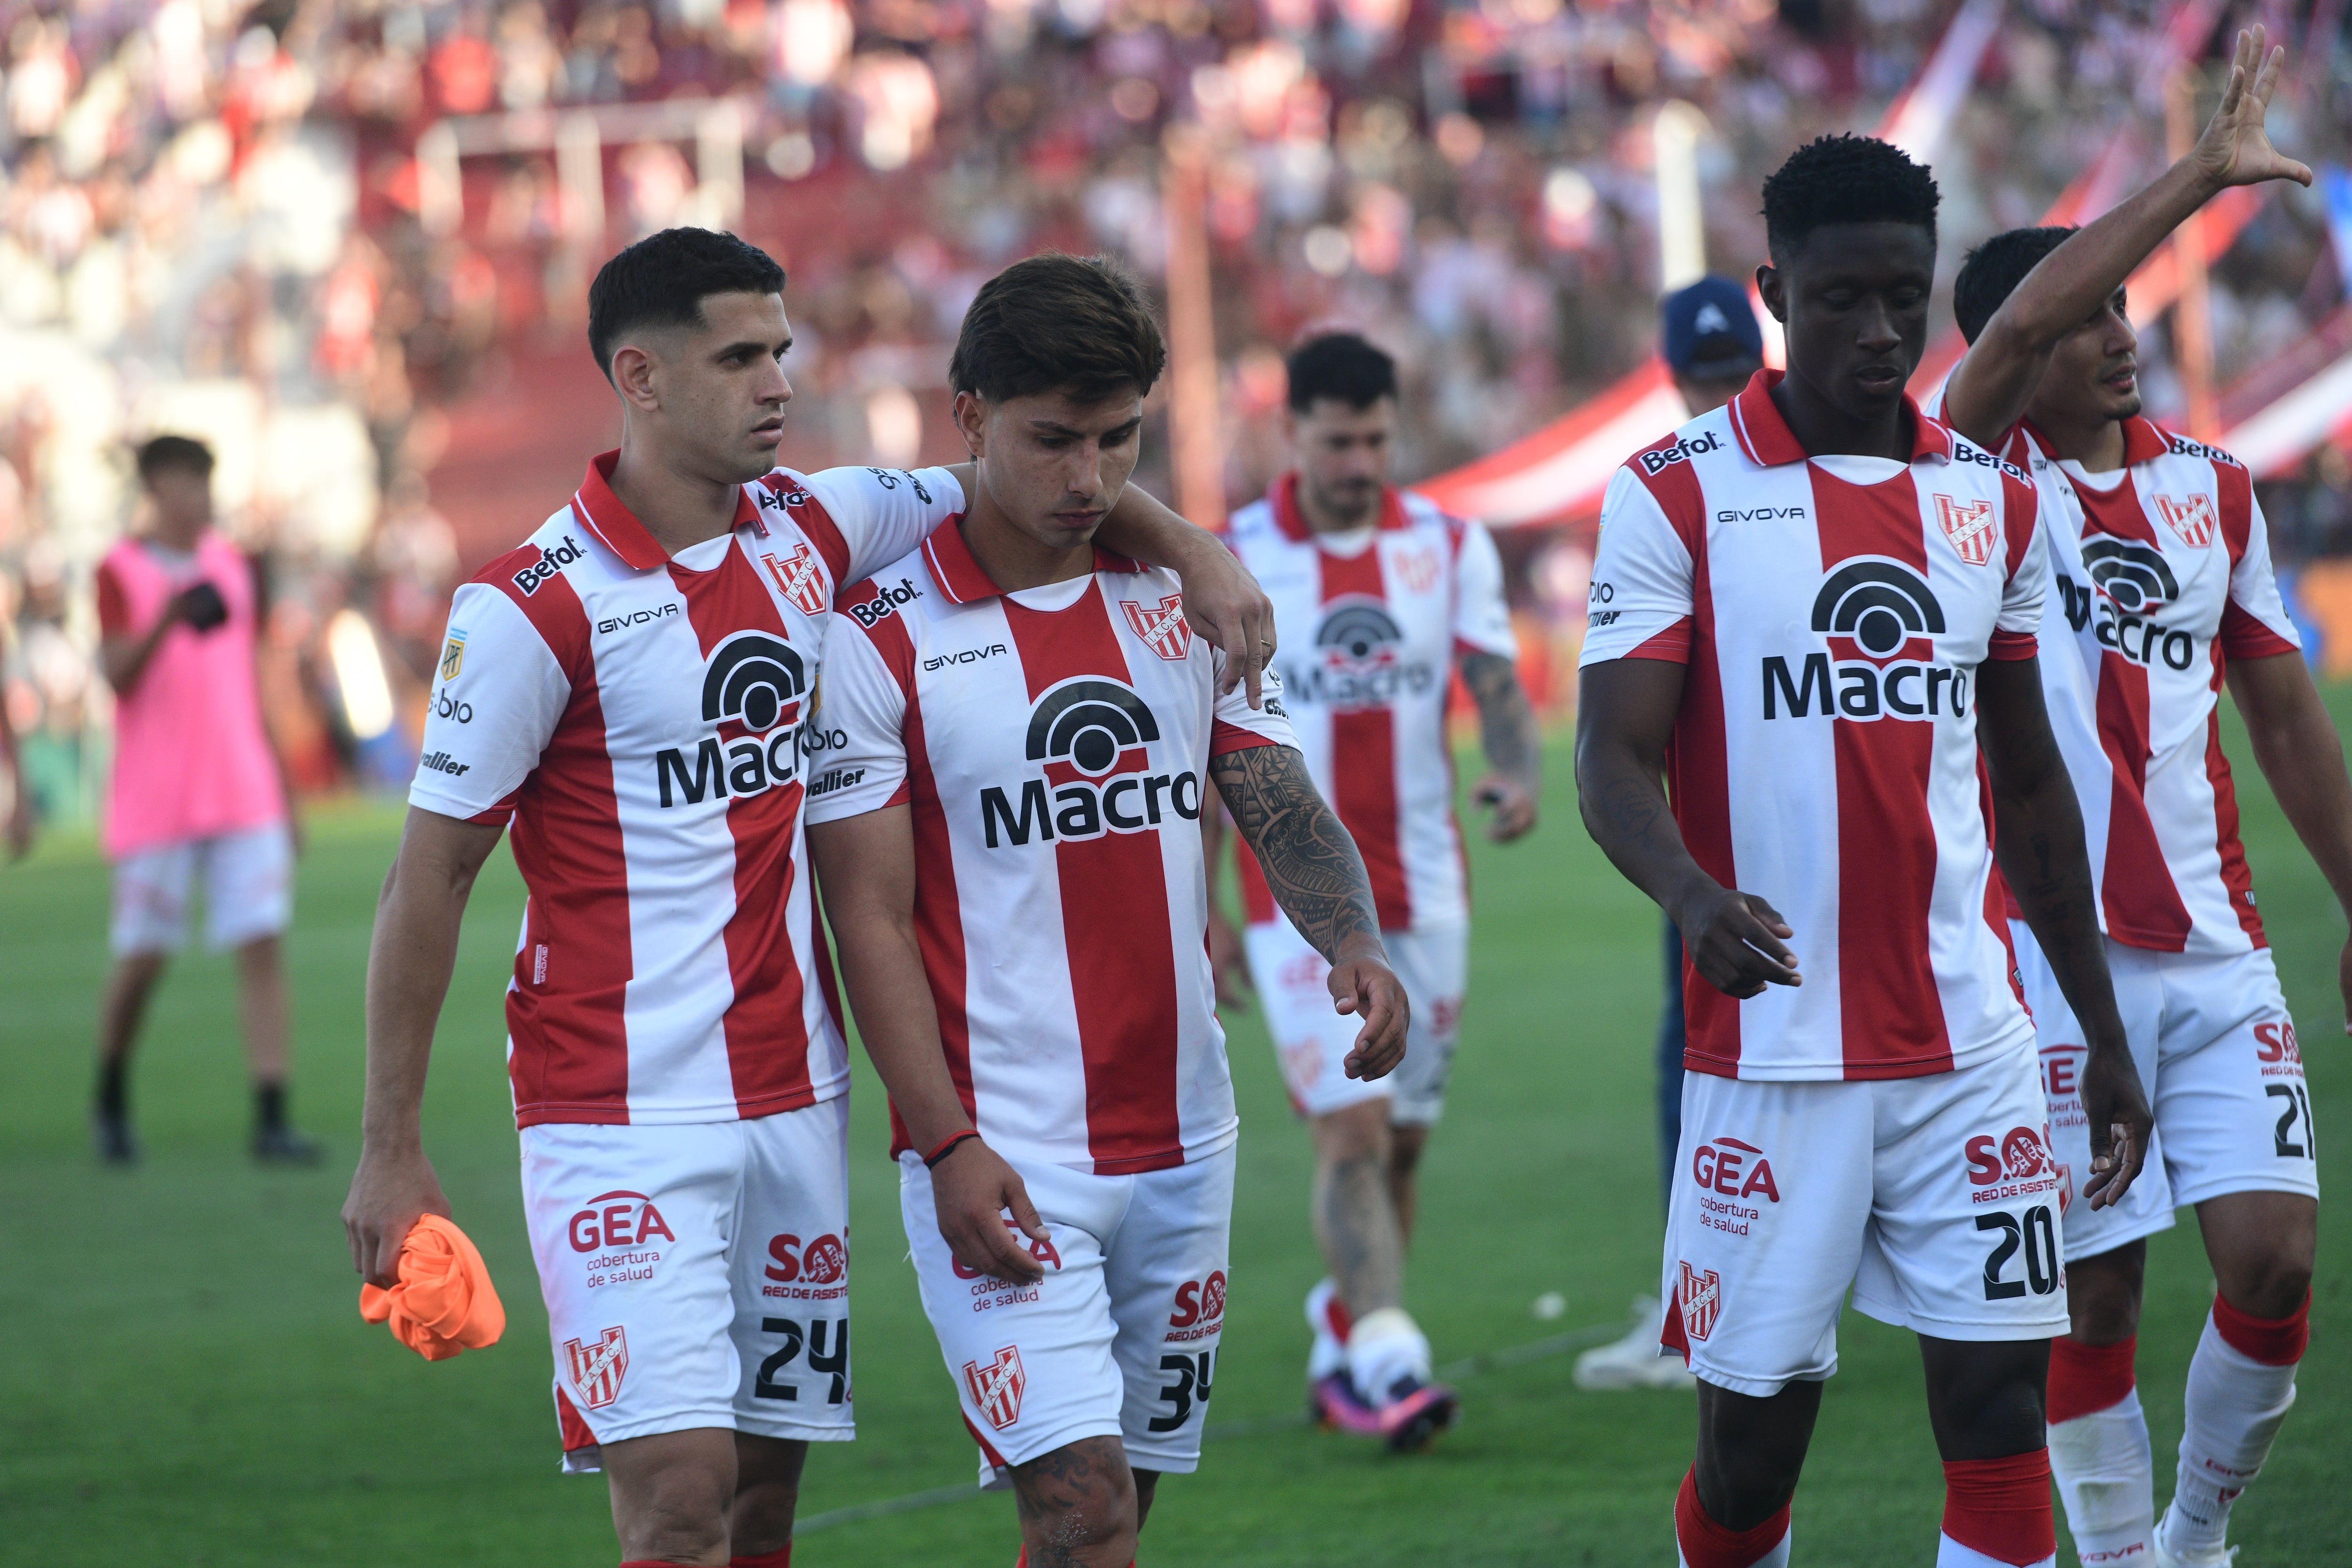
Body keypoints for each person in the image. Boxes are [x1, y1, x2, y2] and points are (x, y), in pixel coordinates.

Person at [339, 229, 1277, 1568]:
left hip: (794, 1096)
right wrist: (390, 1142)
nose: (778, 379)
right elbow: (428, 871)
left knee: (763, 1507)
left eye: (780, 348)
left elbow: (1022, 471)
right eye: (739, 356)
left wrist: (1193, 546)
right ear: (641, 378)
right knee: (678, 1496)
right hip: (614, 1109)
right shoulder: (531, 608)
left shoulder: (813, 527)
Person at [1574, 133, 2154, 1568]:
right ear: (1776, 292)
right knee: (1751, 1453)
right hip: (1772, 1064)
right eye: (1841, 298)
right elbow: (1607, 757)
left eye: (1904, 295)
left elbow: (2029, 786)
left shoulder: (1991, 498)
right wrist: (1691, 891)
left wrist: (2096, 1024)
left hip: (1972, 1046)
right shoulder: (1675, 493)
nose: (1880, 330)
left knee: (2000, 1413)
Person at [807, 255, 1409, 1568]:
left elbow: (1266, 780)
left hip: (1187, 1137)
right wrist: (944, 1139)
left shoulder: (1184, 596)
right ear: (966, 416)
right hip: (1006, 1145)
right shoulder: (876, 636)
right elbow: (865, 912)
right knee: (1087, 1519)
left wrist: (1350, 937)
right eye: (1053, 439)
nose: (1089, 476)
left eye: (1118, 438)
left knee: (1127, 1502)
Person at [1937, 31, 2331, 1566]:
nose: (2115, 332)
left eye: (2125, 307)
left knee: (2277, 1258)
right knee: (2093, 1290)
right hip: (2041, 959)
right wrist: (2194, 178)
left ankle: (2192, 1537)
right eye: (2083, 313)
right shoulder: (1967, 484)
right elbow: (2016, 320)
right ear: (2016, 352)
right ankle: (2115, 1557)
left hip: (2216, 944)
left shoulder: (2213, 488)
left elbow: (2286, 716)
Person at [1200, 329, 1537, 1441]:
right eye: (1337, 440)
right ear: (1290, 433)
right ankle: (1392, 1358)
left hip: (1428, 893)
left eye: (1376, 440)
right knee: (1350, 1126)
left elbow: (1490, 675)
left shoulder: (1446, 544)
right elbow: (1205, 745)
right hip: (1290, 903)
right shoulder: (1229, 555)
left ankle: (1343, 1337)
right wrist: (1203, 899)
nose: (1358, 460)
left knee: (1399, 1140)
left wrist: (1514, 767)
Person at [1577, 276, 1764, 1393]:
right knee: (1688, 1048)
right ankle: (1700, 1290)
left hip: (1796, 817)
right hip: (1696, 837)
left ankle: (1712, 1295)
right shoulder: (1664, 494)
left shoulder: (1713, 487)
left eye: (1729, 373)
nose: (1713, 394)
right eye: (1699, 377)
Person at [92, 434, 315, 1165]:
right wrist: (166, 618)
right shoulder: (119, 571)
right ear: (155, 486)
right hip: (157, 796)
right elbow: (117, 676)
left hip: (240, 785)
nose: (199, 497)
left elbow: (256, 677)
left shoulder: (231, 563)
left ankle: (272, 1113)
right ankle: (112, 1089)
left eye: (204, 482)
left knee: (261, 943)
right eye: (185, 481)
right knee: (144, 955)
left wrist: (285, 786)